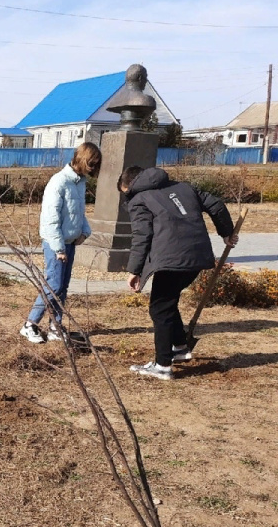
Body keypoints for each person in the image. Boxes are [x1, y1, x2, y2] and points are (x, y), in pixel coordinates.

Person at [120, 165, 237, 381]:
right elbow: (216, 204)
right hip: (198, 257)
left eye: (125, 192)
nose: (126, 196)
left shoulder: (139, 199)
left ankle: (163, 365)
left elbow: (141, 235)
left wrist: (134, 270)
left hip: (172, 260)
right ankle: (181, 347)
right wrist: (227, 233)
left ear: (131, 186)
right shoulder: (184, 187)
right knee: (167, 301)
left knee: (160, 309)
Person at [19, 142, 101, 344]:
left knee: (62, 287)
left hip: (70, 243)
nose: (93, 168)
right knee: (53, 285)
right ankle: (30, 324)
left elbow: (78, 212)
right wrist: (58, 248)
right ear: (81, 159)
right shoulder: (59, 182)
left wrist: (85, 232)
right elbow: (50, 218)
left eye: (96, 164)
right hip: (56, 244)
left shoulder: (79, 182)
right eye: (91, 163)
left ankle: (55, 326)